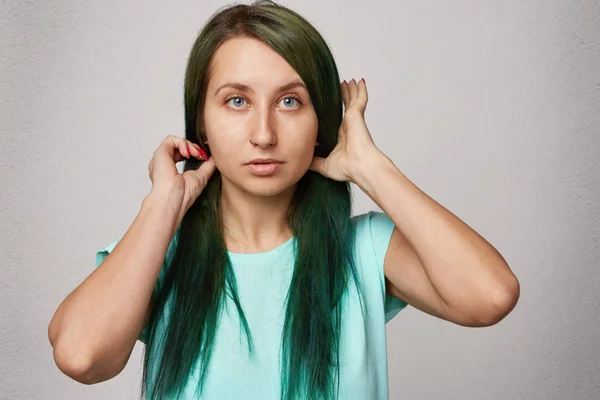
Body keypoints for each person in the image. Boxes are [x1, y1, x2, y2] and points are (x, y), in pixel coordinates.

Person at [48, 1, 520, 399]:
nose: (263, 134)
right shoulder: (156, 254)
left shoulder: (366, 250)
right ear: (202, 122)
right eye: (237, 101)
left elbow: (491, 297)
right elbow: (81, 356)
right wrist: (162, 207)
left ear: (321, 120)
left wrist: (371, 168)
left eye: (290, 101)